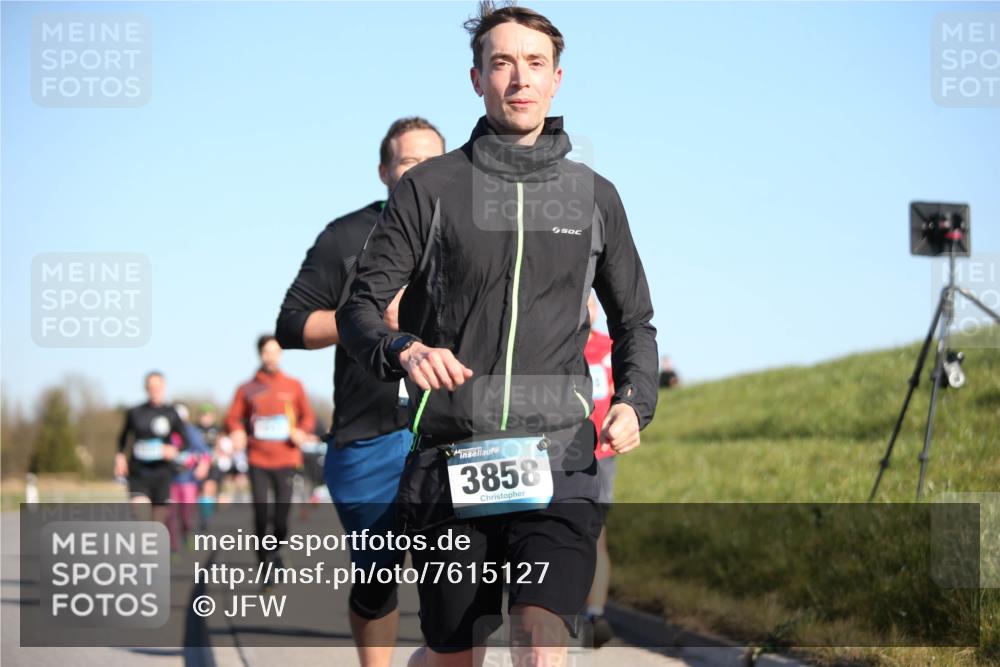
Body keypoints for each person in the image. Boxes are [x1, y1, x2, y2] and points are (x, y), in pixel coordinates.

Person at [337, 4, 658, 665]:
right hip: (453, 463)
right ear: (477, 77)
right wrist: (403, 347)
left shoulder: (594, 196)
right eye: (503, 63)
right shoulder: (430, 189)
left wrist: (634, 398)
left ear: (557, 79)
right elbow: (361, 308)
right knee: (455, 653)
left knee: (540, 640)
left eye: (534, 64)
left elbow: (634, 322)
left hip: (559, 460)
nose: (520, 78)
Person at [275, 116, 446, 667]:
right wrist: (359, 317)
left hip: (449, 426)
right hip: (368, 435)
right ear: (384, 172)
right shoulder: (345, 237)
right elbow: (291, 325)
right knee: (379, 578)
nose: (422, 172)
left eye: (433, 161)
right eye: (408, 162)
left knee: (460, 572)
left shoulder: (471, 228)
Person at [225, 335, 315, 580]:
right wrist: (236, 432)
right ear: (260, 354)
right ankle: (264, 564)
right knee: (262, 515)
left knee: (282, 519)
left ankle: (275, 551)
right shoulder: (246, 388)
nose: (271, 356)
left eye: (275, 351)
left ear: (281, 354)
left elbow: (308, 417)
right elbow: (232, 418)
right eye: (266, 351)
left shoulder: (293, 385)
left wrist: (301, 431)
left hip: (286, 459)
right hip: (258, 459)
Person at [582, 295, 617, 648]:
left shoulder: (609, 348)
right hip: (558, 453)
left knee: (596, 534)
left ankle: (595, 611)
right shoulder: (557, 344)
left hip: (601, 455)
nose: (587, 308)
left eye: (593, 302)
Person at [115, 371, 189, 523]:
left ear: (164, 387)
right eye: (151, 387)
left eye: (158, 386)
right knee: (141, 515)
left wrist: (174, 451)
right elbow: (123, 438)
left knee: (157, 523)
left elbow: (186, 442)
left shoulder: (171, 413)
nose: (155, 390)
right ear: (146, 388)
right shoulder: (135, 412)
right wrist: (120, 457)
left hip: (162, 472)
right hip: (138, 471)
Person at [167, 403, 212, 552]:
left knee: (186, 515)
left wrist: (202, 466)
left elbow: (205, 453)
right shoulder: (166, 433)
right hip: (170, 479)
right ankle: (173, 546)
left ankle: (187, 533)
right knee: (171, 514)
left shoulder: (192, 432)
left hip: (188, 479)